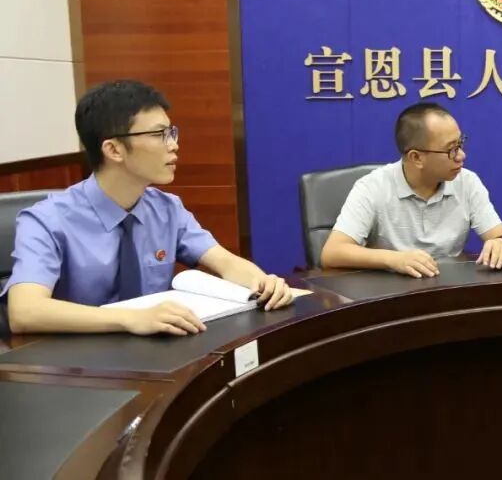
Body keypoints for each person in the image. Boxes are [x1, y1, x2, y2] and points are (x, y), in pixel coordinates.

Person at [3, 80, 293, 336]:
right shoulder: (45, 220)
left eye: (172, 132)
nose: (174, 145)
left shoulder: (167, 209)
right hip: (79, 364)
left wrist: (263, 283)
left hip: (156, 355)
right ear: (113, 150)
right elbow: (24, 312)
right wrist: (129, 319)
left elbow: (225, 262)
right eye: (158, 135)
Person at [320, 102, 502, 277]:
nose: (461, 156)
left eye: (460, 144)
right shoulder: (373, 187)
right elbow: (332, 253)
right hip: (389, 293)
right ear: (416, 158)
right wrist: (395, 259)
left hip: (448, 289)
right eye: (451, 149)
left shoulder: (467, 182)